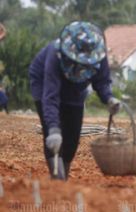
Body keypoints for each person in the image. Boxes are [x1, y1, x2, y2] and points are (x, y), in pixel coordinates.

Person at [29, 21, 121, 180]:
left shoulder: (98, 55)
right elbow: (50, 97)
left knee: (72, 136)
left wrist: (109, 98)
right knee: (53, 135)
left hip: (76, 88)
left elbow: (102, 81)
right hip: (43, 82)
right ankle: (58, 177)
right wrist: (53, 129)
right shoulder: (55, 53)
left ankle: (64, 171)